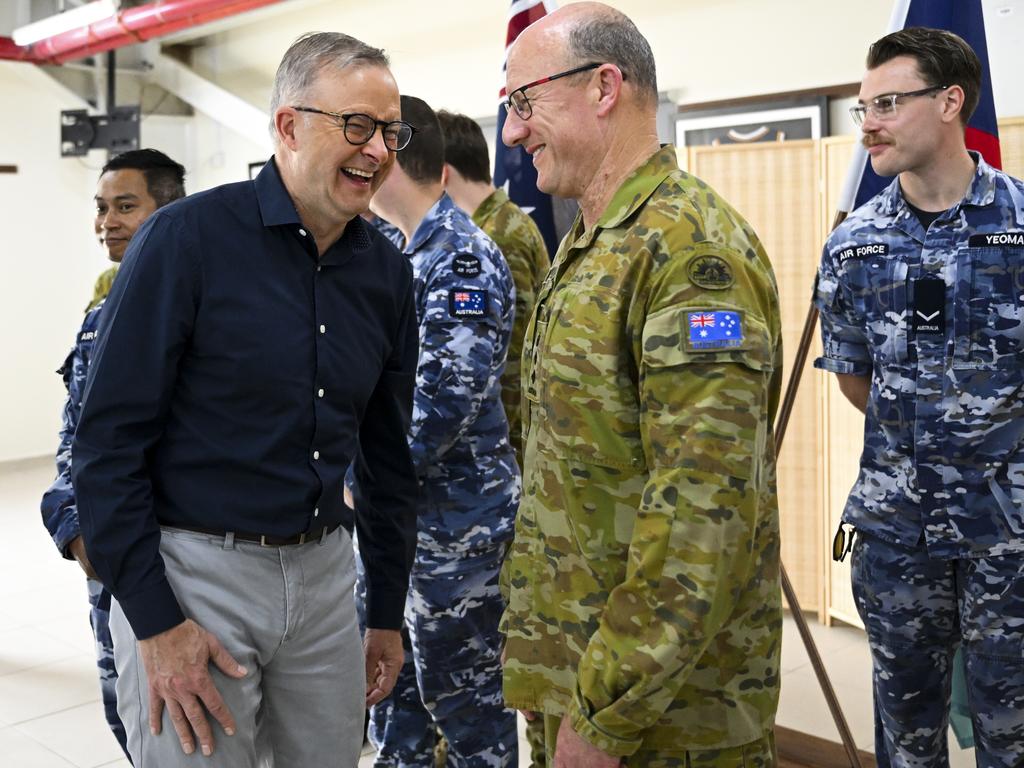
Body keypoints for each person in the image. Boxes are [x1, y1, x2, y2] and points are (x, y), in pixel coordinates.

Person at [71, 32, 420, 767]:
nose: (378, 150)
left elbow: (388, 460)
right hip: (197, 575)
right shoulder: (186, 241)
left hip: (327, 582)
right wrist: (157, 622)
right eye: (357, 125)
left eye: (391, 130)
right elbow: (107, 447)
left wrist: (384, 611)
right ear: (288, 125)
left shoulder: (387, 272)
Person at [499, 4, 783, 766]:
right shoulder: (593, 243)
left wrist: (604, 715)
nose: (512, 133)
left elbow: (701, 512)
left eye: (524, 103)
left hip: (662, 722)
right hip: (582, 682)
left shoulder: (689, 253)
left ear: (603, 87)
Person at [815, 26, 1024, 766]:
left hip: (1011, 536)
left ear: (950, 103)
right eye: (863, 105)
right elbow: (852, 376)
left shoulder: (1022, 224)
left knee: (1014, 737)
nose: (867, 121)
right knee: (905, 741)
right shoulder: (854, 244)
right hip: (898, 534)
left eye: (888, 102)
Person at [362, 94, 519, 767]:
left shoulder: (459, 259)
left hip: (457, 536)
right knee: (393, 710)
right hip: (401, 531)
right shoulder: (398, 249)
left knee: (466, 715)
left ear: (394, 152)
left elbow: (443, 407)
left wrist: (358, 481)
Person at [41, 148, 186, 759]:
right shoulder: (102, 311)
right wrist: (72, 526)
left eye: (126, 206)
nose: (108, 222)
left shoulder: (204, 308)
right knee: (123, 710)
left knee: (183, 721)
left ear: (169, 210)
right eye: (101, 208)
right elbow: (76, 434)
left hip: (178, 556)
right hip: (107, 553)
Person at [436, 110, 549, 467]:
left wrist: (508, 446)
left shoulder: (497, 235)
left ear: (443, 173)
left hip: (510, 439)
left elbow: (512, 353)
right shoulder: (496, 222)